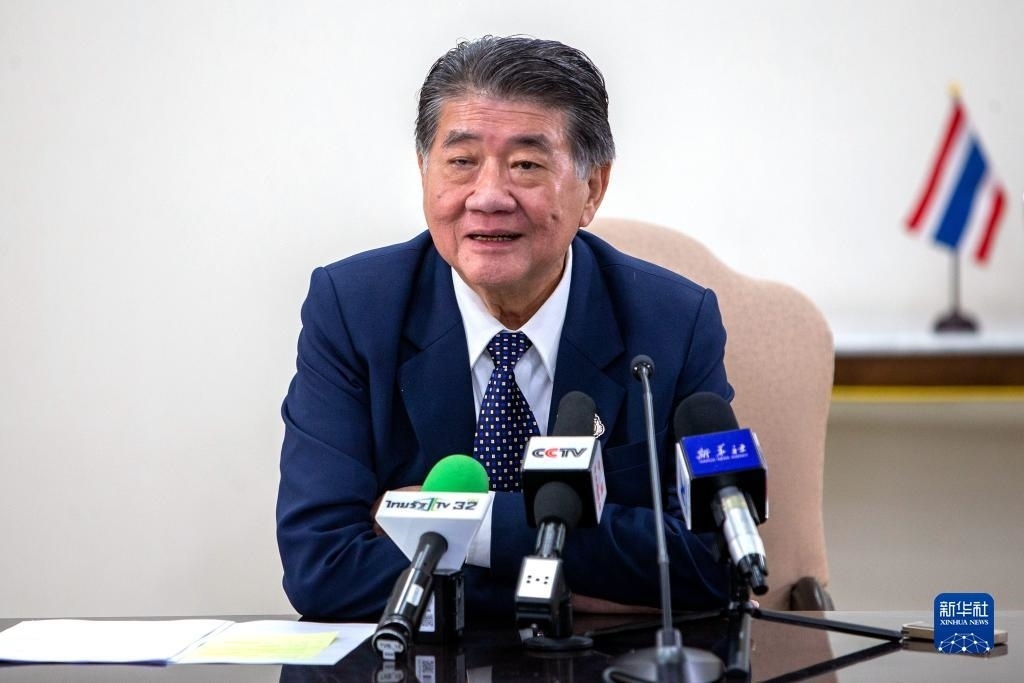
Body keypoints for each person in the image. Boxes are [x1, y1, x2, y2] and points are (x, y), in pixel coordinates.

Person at [276, 35, 734, 622]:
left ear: (592, 189)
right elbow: (322, 568)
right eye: (461, 162)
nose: (488, 197)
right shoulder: (353, 309)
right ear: (424, 172)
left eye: (526, 165)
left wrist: (472, 525)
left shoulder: (674, 322)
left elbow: (710, 561)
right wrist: (567, 581)